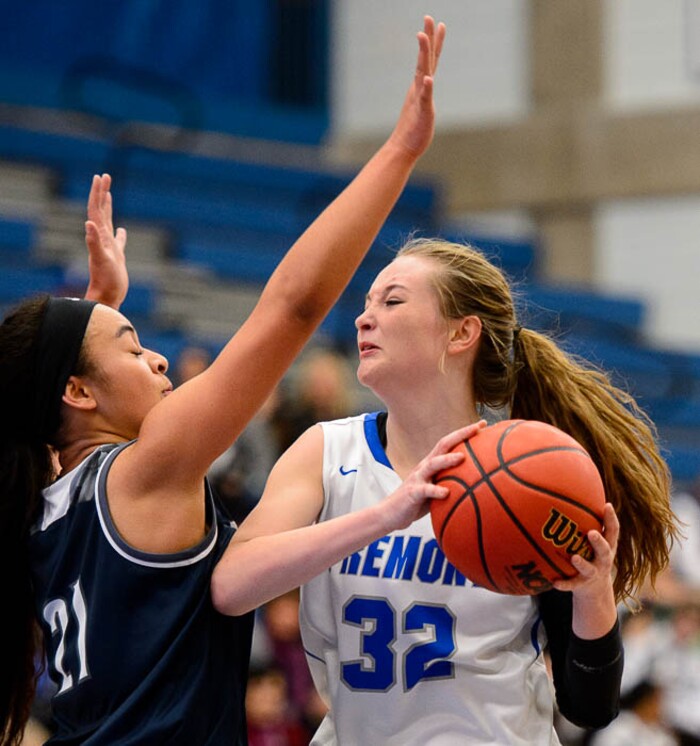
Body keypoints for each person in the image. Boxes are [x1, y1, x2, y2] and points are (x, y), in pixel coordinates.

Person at [0, 17, 452, 745]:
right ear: (78, 394)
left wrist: (96, 306)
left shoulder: (36, 504)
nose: (157, 362)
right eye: (133, 345)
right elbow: (294, 307)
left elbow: (47, 392)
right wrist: (400, 153)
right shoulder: (149, 467)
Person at [212, 237, 680, 744]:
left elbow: (591, 707)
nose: (364, 319)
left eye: (391, 301)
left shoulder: (530, 481)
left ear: (461, 333)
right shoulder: (326, 451)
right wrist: (386, 515)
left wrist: (593, 594)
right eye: (366, 304)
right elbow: (231, 588)